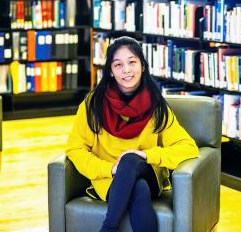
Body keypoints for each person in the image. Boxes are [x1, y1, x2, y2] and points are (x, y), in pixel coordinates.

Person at [66, 36, 199, 232]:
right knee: (139, 188)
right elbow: (75, 148)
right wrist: (110, 169)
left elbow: (188, 147)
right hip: (109, 181)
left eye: (132, 62)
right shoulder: (92, 105)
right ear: (110, 71)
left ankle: (108, 228)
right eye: (118, 65)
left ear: (143, 66)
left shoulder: (157, 106)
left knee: (130, 159)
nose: (126, 70)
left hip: (149, 172)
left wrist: (147, 155)